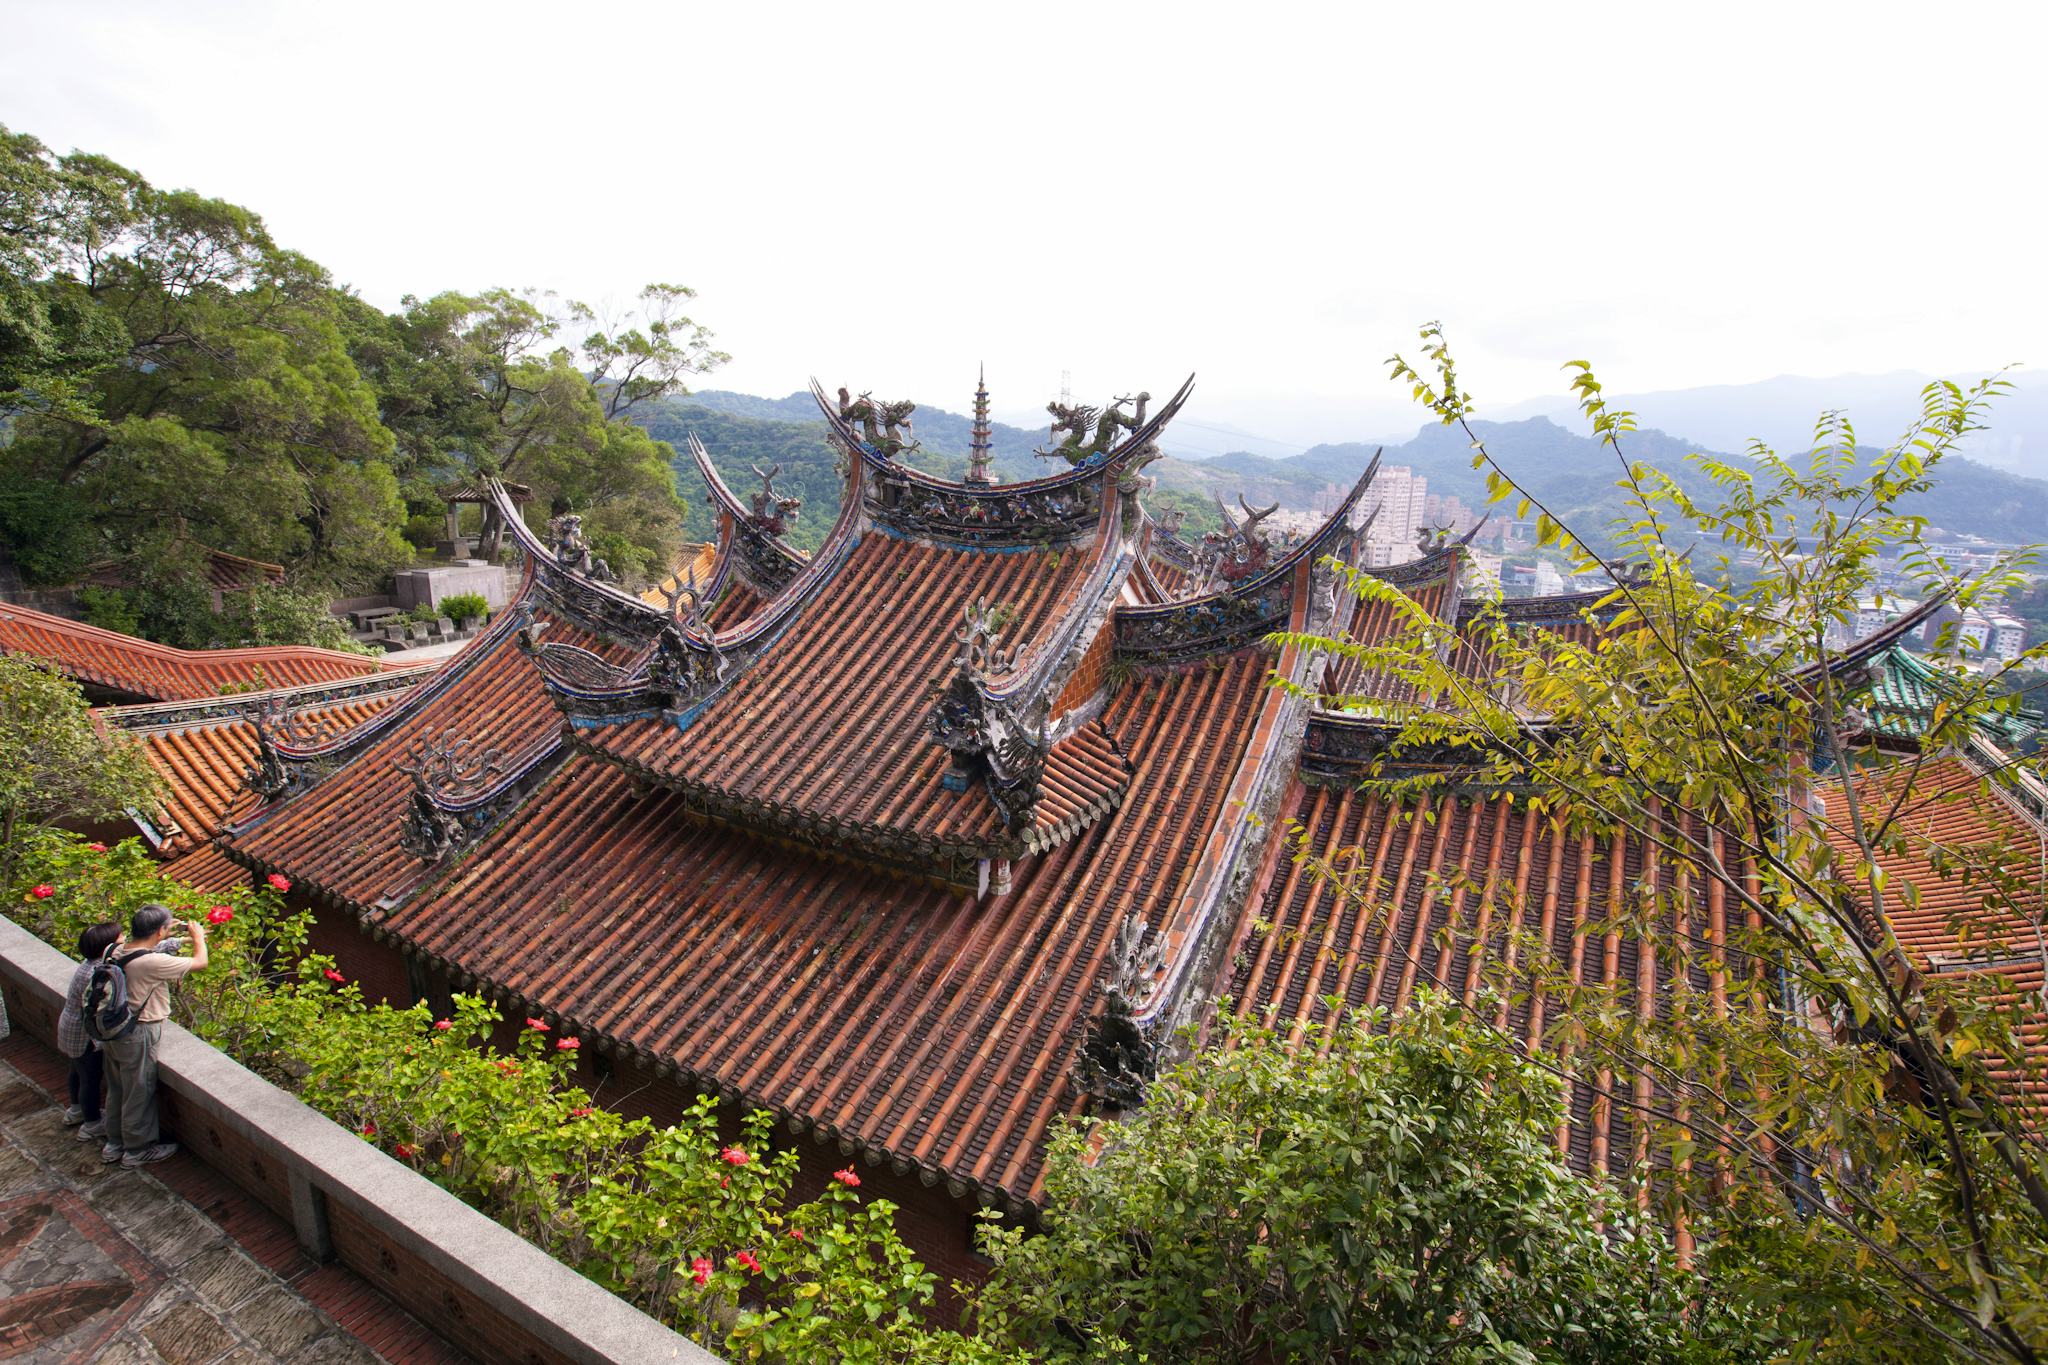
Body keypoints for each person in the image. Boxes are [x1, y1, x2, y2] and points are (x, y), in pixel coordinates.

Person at [100, 903, 207, 1168]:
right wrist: (198, 938)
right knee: (138, 1089)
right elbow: (200, 962)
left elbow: (148, 949)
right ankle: (137, 1149)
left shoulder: (114, 950)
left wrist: (169, 935)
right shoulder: (151, 963)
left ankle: (114, 1143)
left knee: (117, 1086)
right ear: (159, 931)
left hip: (111, 1029)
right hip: (139, 1031)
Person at [56, 922, 122, 1141]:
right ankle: (91, 1123)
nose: (123, 940)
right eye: (119, 939)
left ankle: (76, 1110)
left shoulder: (88, 964)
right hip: (83, 1035)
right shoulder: (96, 973)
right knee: (90, 1079)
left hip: (71, 1028)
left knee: (76, 1071)